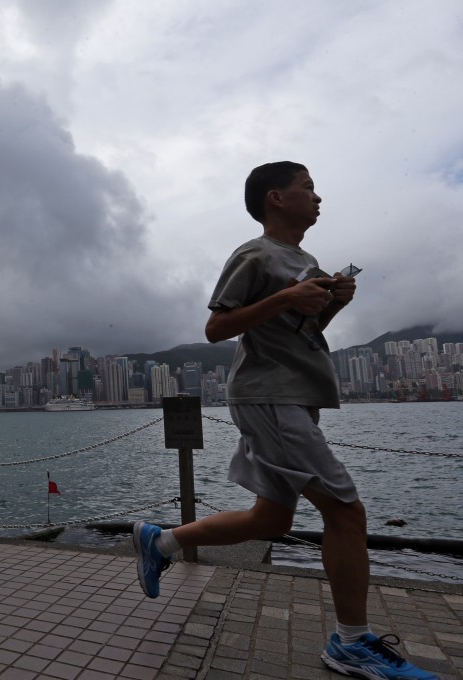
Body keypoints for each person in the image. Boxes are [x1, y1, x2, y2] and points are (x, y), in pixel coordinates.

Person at [133, 162, 439, 679]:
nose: (318, 197)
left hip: (294, 394)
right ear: (275, 198)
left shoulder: (306, 258)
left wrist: (331, 306)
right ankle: (350, 642)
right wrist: (286, 296)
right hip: (268, 395)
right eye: (308, 188)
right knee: (347, 511)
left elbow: (301, 329)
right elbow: (216, 327)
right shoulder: (254, 255)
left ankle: (158, 541)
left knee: (271, 520)